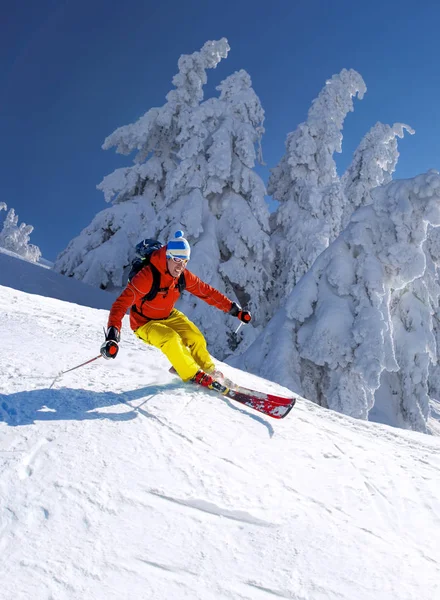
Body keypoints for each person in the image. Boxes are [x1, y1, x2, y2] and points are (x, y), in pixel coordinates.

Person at [100, 231, 251, 387]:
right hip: (144, 323)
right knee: (171, 338)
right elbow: (120, 304)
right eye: (177, 260)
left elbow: (207, 292)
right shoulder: (147, 277)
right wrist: (112, 335)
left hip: (168, 315)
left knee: (195, 337)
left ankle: (209, 371)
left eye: (185, 261)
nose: (180, 266)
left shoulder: (183, 276)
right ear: (167, 257)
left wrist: (234, 310)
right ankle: (193, 374)